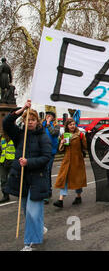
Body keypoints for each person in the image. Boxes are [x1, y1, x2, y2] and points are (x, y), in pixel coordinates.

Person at [3, 100, 52, 251]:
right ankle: (39, 227)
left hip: (38, 178)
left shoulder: (42, 136)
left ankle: (30, 242)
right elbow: (6, 123)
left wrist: (28, 162)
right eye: (27, 119)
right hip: (22, 178)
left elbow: (46, 157)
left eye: (32, 120)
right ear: (23, 121)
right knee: (27, 210)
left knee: (33, 210)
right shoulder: (19, 135)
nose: (30, 122)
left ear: (37, 121)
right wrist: (22, 109)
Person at [53, 118, 87, 208]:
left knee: (77, 180)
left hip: (77, 161)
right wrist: (62, 143)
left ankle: (78, 196)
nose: (72, 126)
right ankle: (60, 200)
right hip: (67, 161)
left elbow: (85, 146)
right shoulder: (65, 135)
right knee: (64, 179)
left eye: (73, 124)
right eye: (70, 124)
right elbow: (61, 150)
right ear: (67, 126)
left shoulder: (80, 135)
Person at [42, 111, 60, 204]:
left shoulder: (56, 126)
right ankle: (45, 192)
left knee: (47, 171)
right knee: (43, 172)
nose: (47, 117)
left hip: (50, 152)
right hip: (41, 151)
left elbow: (54, 134)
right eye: (47, 115)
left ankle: (47, 193)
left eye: (50, 116)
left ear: (53, 118)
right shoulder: (41, 124)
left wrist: (49, 124)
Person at [0, 132, 15, 203]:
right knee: (3, 180)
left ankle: (20, 193)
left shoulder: (14, 136)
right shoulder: (2, 138)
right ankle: (5, 195)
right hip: (3, 161)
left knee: (15, 178)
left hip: (12, 160)